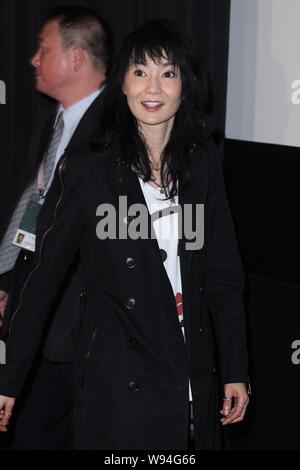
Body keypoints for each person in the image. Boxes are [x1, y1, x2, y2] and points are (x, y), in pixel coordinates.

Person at [0, 19, 249, 450]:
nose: (153, 87)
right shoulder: (89, 168)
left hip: (190, 370)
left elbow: (224, 278)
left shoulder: (201, 162)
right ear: (123, 84)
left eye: (167, 73)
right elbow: (43, 279)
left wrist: (235, 368)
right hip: (118, 378)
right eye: (140, 72)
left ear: (185, 86)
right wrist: (10, 379)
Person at [0, 6, 112, 449]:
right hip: (43, 321)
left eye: (43, 49)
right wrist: (12, 276)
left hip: (87, 331)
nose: (32, 59)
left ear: (77, 57)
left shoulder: (115, 129)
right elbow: (37, 207)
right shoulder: (55, 122)